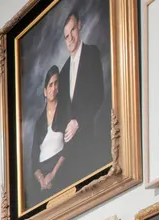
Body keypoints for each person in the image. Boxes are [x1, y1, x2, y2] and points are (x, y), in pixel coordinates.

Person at [57, 9, 109, 181]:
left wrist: (78, 122)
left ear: (79, 26)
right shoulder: (63, 71)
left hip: (89, 140)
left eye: (72, 30)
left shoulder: (91, 53)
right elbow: (63, 108)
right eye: (66, 35)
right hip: (70, 151)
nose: (70, 37)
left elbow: (99, 94)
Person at [29, 66, 68, 200]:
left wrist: (53, 173)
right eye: (50, 85)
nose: (53, 88)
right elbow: (34, 158)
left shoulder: (65, 112)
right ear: (45, 91)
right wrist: (42, 180)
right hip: (42, 176)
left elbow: (69, 147)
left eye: (56, 83)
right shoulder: (39, 123)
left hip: (60, 169)